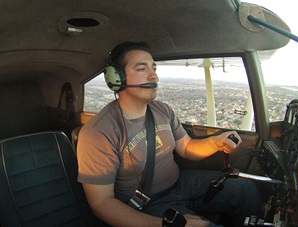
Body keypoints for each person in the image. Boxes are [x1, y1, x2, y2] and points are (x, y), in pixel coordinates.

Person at [77, 41, 261, 227]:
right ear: (117, 77)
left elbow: (187, 147)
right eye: (142, 68)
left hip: (181, 183)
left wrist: (215, 142)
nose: (153, 75)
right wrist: (166, 225)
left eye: (154, 67)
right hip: (147, 204)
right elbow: (102, 204)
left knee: (245, 190)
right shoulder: (99, 132)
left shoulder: (162, 110)